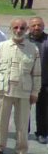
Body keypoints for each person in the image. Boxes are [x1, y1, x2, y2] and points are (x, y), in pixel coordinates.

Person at [0, 17, 41, 154]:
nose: (19, 31)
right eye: (16, 28)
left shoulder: (33, 49)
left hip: (23, 91)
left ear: (26, 30)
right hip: (3, 89)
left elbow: (36, 73)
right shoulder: (2, 46)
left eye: (22, 28)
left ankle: (21, 149)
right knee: (1, 120)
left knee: (22, 123)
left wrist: (35, 92)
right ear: (10, 29)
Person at [28, 16, 48, 144]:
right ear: (30, 27)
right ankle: (23, 131)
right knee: (24, 109)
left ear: (43, 26)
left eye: (39, 25)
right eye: (34, 25)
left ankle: (42, 132)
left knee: (44, 110)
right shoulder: (23, 40)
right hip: (26, 82)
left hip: (44, 81)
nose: (37, 27)